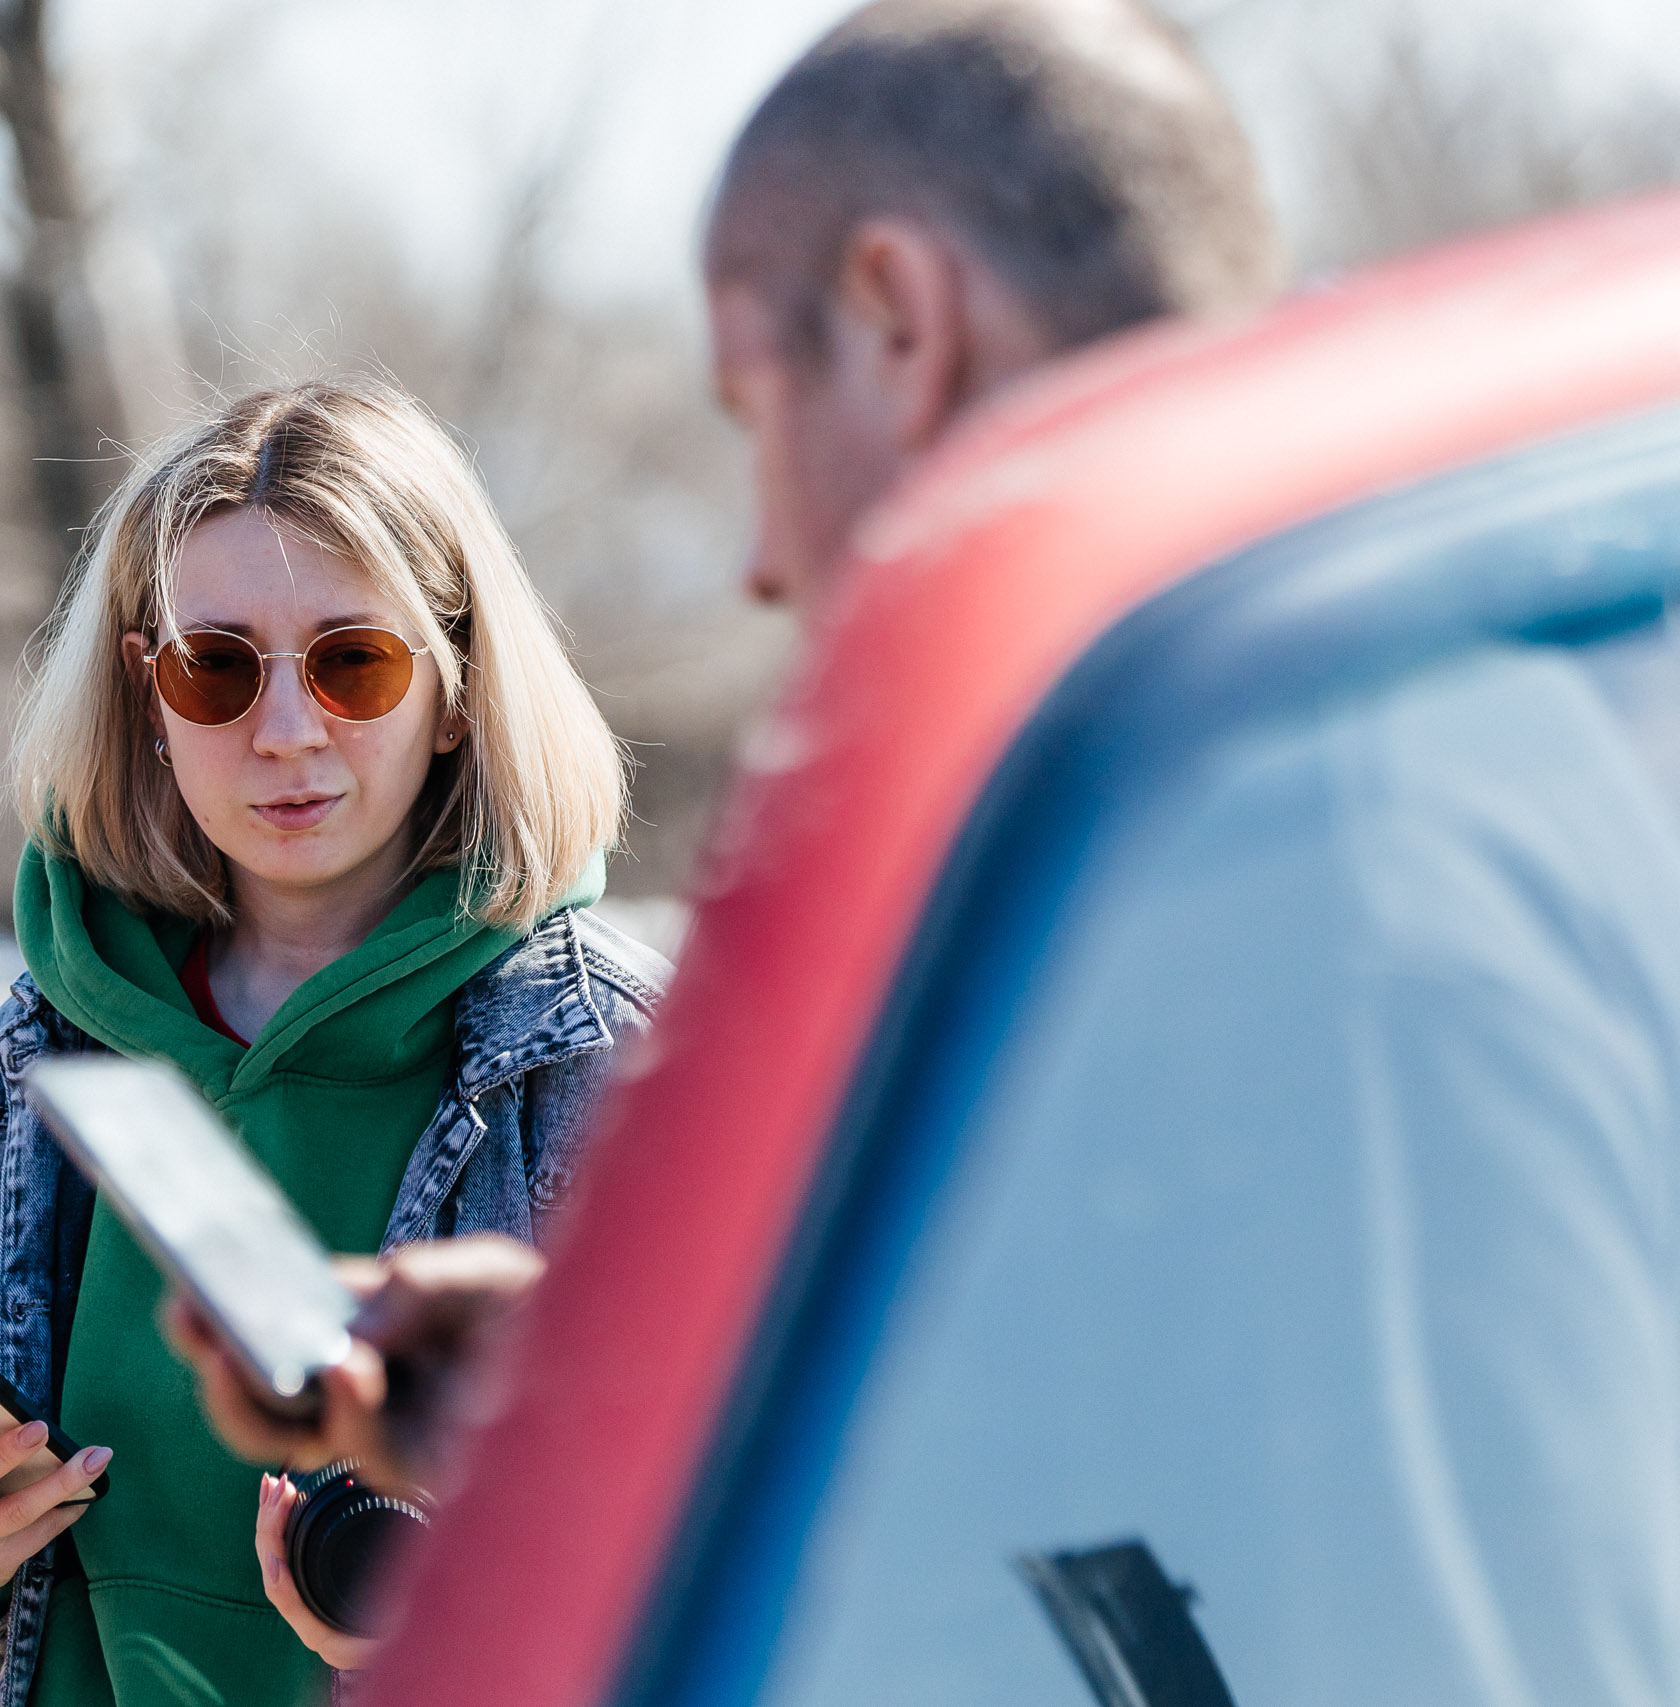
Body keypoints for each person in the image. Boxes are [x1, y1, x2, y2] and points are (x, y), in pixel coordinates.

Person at [168, 0, 1284, 1497]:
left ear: (901, 321)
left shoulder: (1282, 867)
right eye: (215, 671)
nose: (762, 559)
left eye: (753, 406)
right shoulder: (1221, 803)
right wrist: (567, 1376)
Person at [0, 378, 669, 1704]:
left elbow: (723, 1574)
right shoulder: (51, 1041)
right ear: (148, 693)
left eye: (356, 662)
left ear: (459, 685)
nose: (286, 731)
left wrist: (443, 1638)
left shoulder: (602, 1055)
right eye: (218, 666)